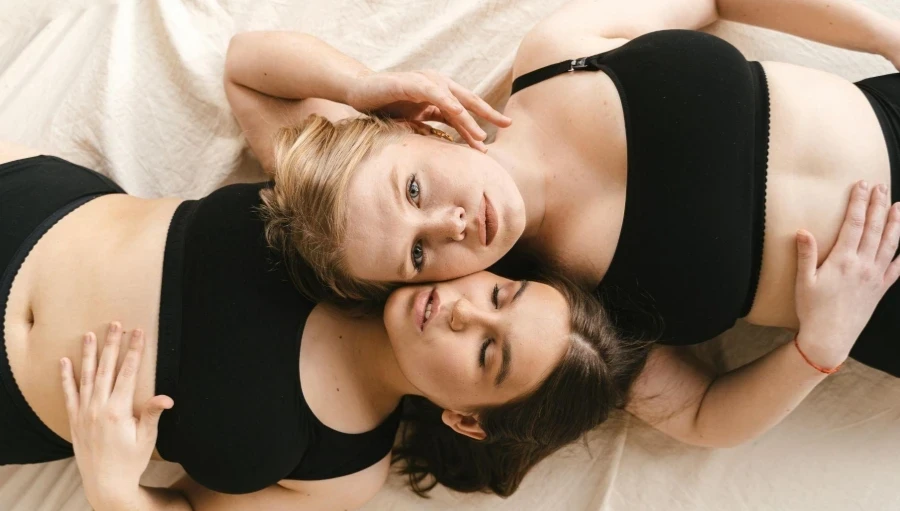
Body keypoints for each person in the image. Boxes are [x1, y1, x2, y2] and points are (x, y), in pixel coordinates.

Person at [224, 1, 900, 448]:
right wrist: (821, 347)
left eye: (414, 187)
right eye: (420, 254)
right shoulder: (559, 310)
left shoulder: (556, 57)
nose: (451, 222)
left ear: (418, 124)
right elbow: (699, 415)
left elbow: (247, 70)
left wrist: (885, 35)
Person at [0, 142, 647, 511]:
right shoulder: (370, 227)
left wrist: (114, 490)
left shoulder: (344, 469)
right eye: (501, 294)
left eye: (487, 353)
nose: (463, 309)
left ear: (468, 418)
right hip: (30, 204)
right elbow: (255, 75)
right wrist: (363, 90)